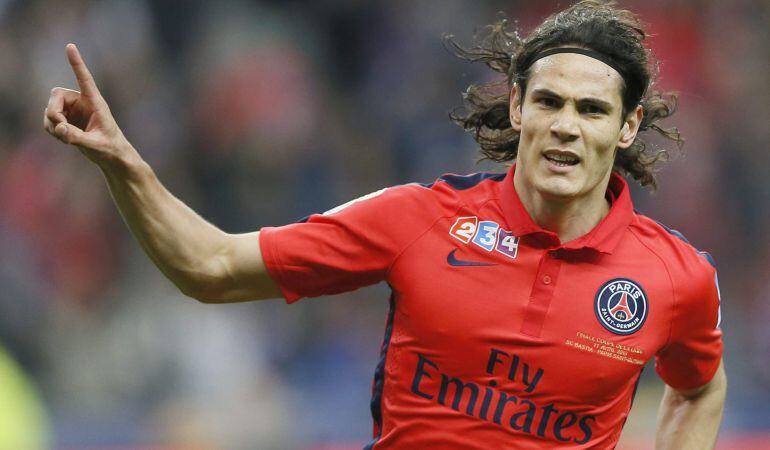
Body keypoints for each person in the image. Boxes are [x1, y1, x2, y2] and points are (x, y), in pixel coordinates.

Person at [43, 1, 725, 448]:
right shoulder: (419, 219)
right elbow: (211, 267)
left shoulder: (673, 279)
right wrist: (123, 163)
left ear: (628, 126)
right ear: (518, 107)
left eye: (592, 110)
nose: (566, 126)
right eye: (549, 101)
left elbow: (699, 386)